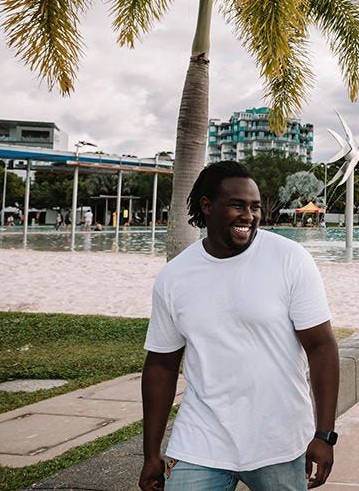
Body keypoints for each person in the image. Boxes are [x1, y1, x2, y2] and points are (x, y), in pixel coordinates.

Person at [139, 161, 340, 490]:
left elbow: (321, 346)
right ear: (207, 206)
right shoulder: (174, 277)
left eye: (255, 207)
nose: (249, 215)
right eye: (237, 205)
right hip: (201, 439)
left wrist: (324, 434)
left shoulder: (290, 259)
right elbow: (161, 365)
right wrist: (151, 454)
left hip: (280, 440)